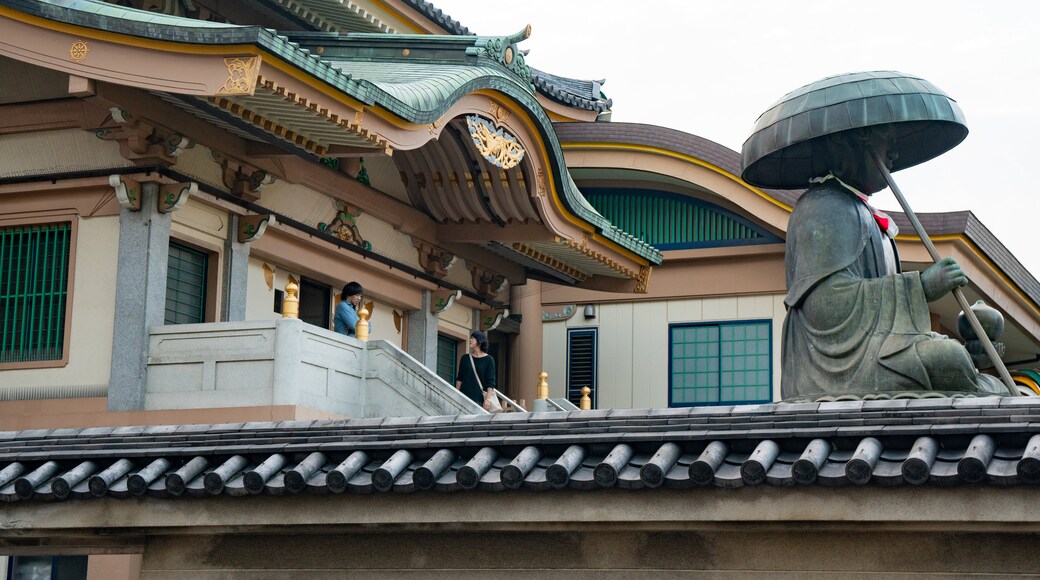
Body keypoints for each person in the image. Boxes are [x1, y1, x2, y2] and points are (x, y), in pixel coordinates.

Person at [782, 125, 1007, 400]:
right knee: (947, 358)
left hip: (876, 349)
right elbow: (824, 307)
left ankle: (981, 382)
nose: (894, 153)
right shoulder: (823, 207)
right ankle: (983, 385)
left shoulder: (861, 210)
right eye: (885, 141)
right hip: (840, 367)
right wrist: (920, 288)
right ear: (852, 142)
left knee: (949, 354)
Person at [455, 330, 496, 405]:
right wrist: (456, 394)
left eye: (473, 338)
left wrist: (488, 399)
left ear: (480, 341)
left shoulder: (489, 360)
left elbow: (490, 383)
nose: (470, 340)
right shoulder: (465, 358)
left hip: (479, 400)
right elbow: (460, 378)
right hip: (463, 398)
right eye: (470, 338)